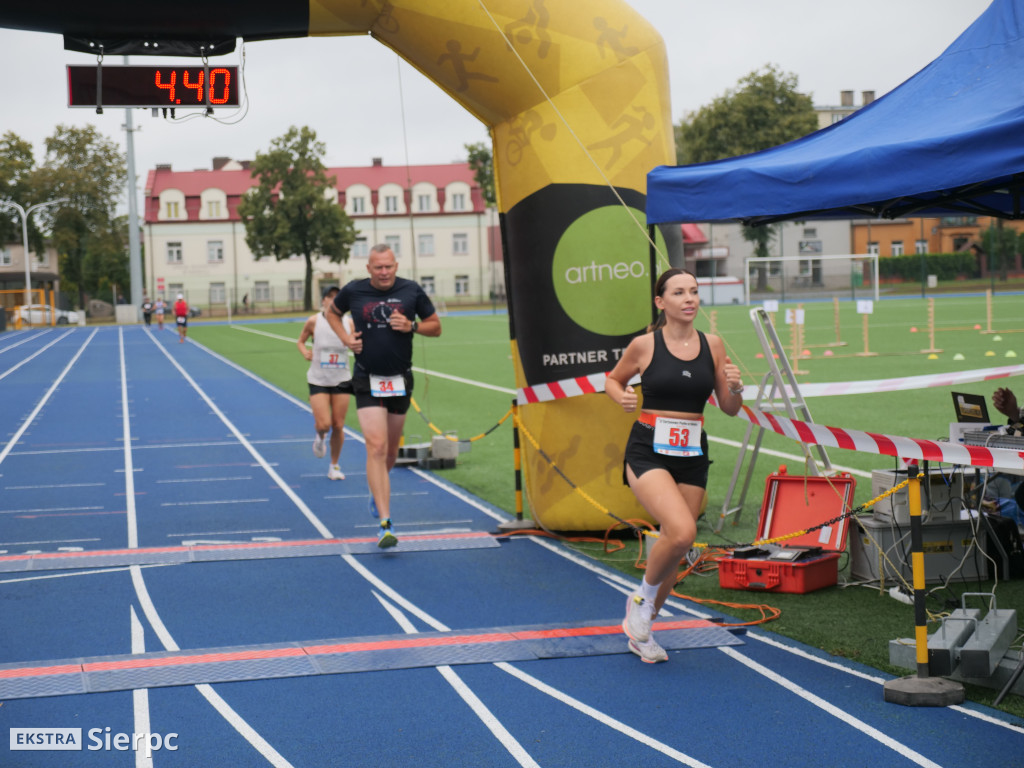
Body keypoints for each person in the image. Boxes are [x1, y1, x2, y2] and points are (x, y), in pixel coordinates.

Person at [604, 268, 744, 663]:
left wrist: (735, 388)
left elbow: (731, 409)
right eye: (679, 292)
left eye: (695, 292)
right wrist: (623, 397)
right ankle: (641, 602)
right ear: (660, 301)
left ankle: (643, 628)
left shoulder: (713, 344)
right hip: (648, 448)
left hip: (692, 451)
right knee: (682, 532)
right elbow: (612, 381)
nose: (689, 299)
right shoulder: (644, 345)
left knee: (675, 544)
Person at [326, 245, 442, 548]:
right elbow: (331, 313)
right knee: (375, 447)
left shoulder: (411, 290)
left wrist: (412, 326)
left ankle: (376, 492)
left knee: (390, 452)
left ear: (395, 265)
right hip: (366, 378)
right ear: (368, 268)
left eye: (389, 266)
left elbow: (436, 327)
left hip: (400, 379)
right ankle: (385, 523)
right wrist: (346, 339)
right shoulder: (354, 291)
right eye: (378, 267)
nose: (384, 272)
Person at [298, 286, 353, 481]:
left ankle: (334, 466)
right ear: (323, 301)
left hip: (342, 379)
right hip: (318, 379)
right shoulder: (314, 321)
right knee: (324, 424)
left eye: (337, 299)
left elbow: (356, 343)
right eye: (330, 298)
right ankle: (320, 437)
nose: (333, 302)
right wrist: (305, 352)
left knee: (338, 424)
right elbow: (301, 341)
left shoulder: (349, 323)